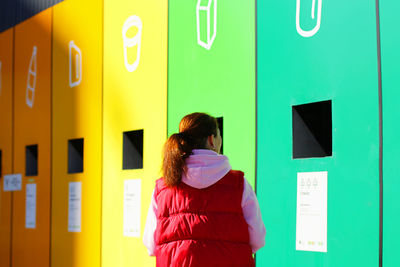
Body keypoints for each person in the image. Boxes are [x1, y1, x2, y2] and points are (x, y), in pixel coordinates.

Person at [143, 112, 266, 267]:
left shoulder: (163, 187)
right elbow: (258, 239)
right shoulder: (239, 184)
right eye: (219, 135)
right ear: (211, 140)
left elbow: (151, 245)